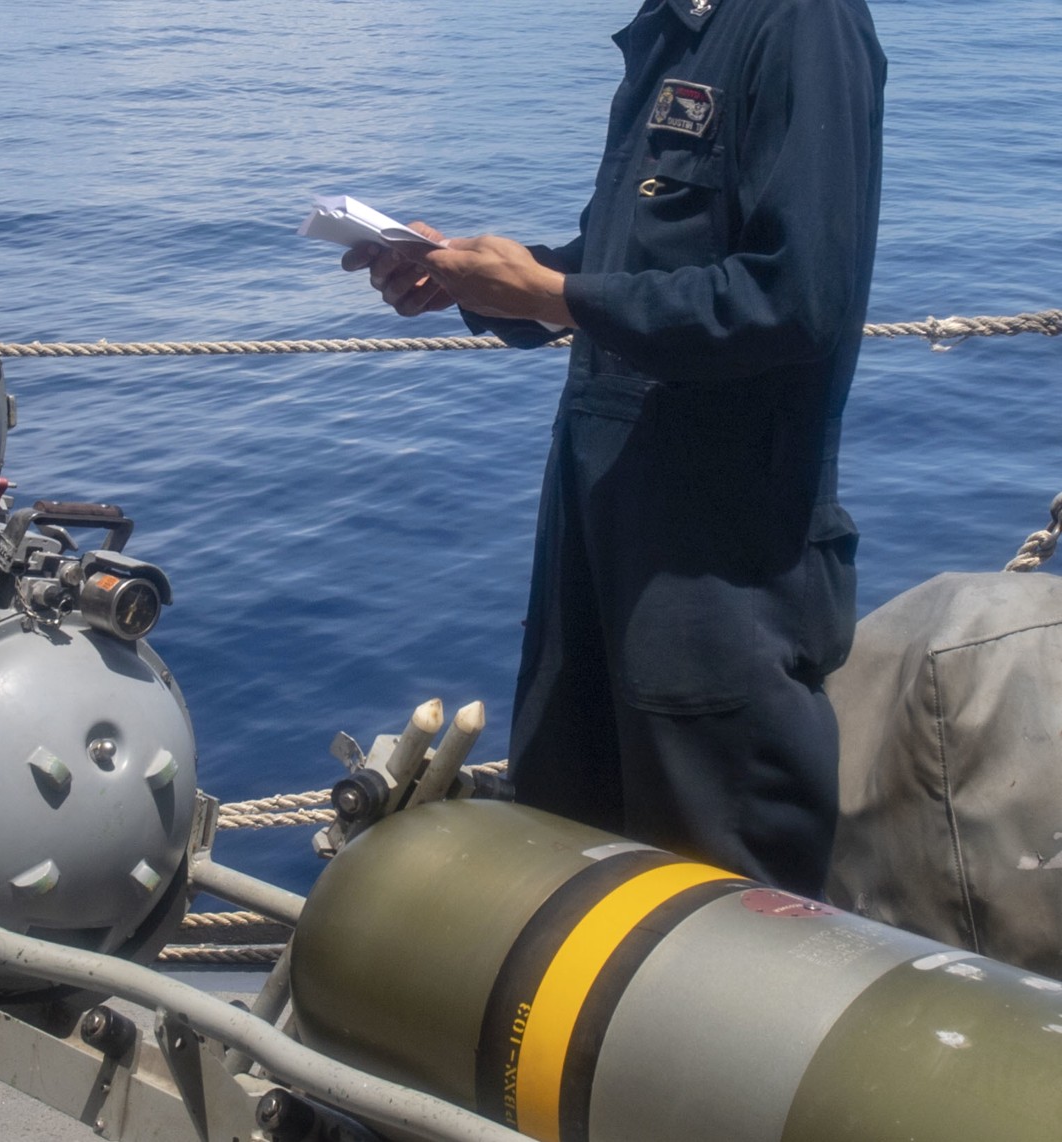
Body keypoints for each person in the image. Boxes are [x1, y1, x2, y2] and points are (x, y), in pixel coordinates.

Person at [343, 0, 886, 897]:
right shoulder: (673, 31)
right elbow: (617, 266)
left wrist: (554, 295)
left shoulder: (802, 22)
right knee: (569, 872)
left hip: (717, 583)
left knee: (722, 925)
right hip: (597, 564)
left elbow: (796, 301)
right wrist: (471, 282)